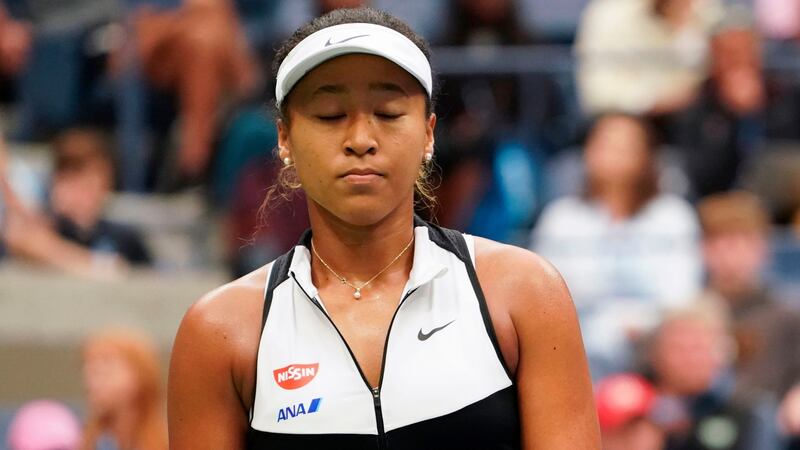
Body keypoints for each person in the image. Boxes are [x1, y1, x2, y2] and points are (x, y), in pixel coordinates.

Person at [168, 6, 599, 449]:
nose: (361, 139)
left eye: (390, 113)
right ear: (284, 138)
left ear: (429, 134)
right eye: (331, 115)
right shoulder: (221, 331)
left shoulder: (524, 292)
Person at [531, 113, 702, 379]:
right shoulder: (561, 217)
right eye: (604, 145)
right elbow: (546, 295)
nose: (613, 155)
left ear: (646, 156)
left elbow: (681, 293)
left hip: (655, 345)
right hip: (577, 341)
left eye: (624, 147)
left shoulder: (673, 215)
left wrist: (637, 324)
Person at [81, 328, 168, 450]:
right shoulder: (87, 440)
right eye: (89, 366)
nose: (90, 377)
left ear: (140, 374)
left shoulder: (167, 442)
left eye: (106, 363)